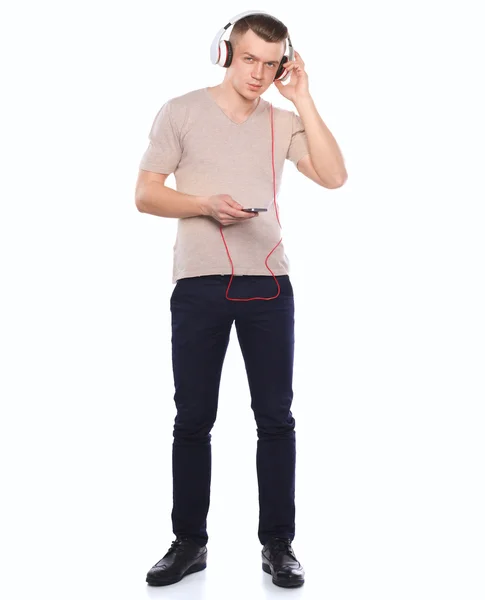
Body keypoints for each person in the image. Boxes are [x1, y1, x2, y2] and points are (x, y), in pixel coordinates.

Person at [135, 10, 347, 589]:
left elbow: (334, 177)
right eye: (249, 58)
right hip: (199, 283)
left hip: (270, 284)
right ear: (225, 51)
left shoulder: (282, 120)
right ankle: (189, 543)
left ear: (284, 63)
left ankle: (279, 544)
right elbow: (146, 195)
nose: (258, 73)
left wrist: (303, 98)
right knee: (193, 419)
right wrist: (205, 204)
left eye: (271, 63)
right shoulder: (180, 111)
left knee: (275, 419)